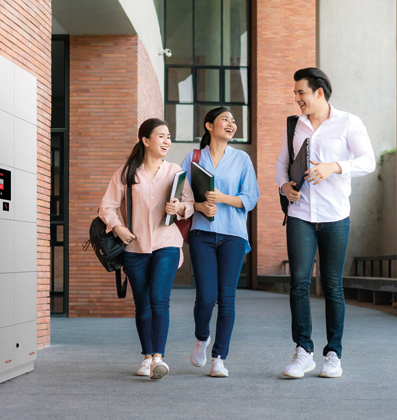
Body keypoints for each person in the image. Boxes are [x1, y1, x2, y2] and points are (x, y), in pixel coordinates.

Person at [276, 67, 375, 379]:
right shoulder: (294, 125)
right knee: (299, 283)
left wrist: (335, 166)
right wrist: (283, 187)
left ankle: (333, 354)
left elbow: (367, 161)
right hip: (300, 215)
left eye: (300, 92)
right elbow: (281, 163)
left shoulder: (348, 122)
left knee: (332, 286)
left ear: (319, 92)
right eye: (295, 93)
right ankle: (303, 351)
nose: (297, 99)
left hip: (335, 217)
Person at [99, 118, 193, 380]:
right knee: (142, 304)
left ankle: (159, 359)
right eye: (161, 136)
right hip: (135, 247)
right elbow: (106, 207)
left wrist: (180, 208)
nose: (166, 141)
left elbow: (190, 204)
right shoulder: (126, 173)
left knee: (159, 300)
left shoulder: (175, 171)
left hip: (167, 244)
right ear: (146, 140)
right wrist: (117, 227)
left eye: (169, 136)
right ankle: (147, 356)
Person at [181, 107, 259, 377]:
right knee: (206, 296)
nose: (231, 123)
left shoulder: (242, 159)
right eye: (225, 119)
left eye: (234, 121)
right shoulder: (193, 158)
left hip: (234, 236)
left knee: (227, 298)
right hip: (201, 233)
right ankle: (202, 338)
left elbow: (250, 198)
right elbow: (182, 197)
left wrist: (221, 197)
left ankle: (219, 358)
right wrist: (201, 207)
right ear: (209, 126)